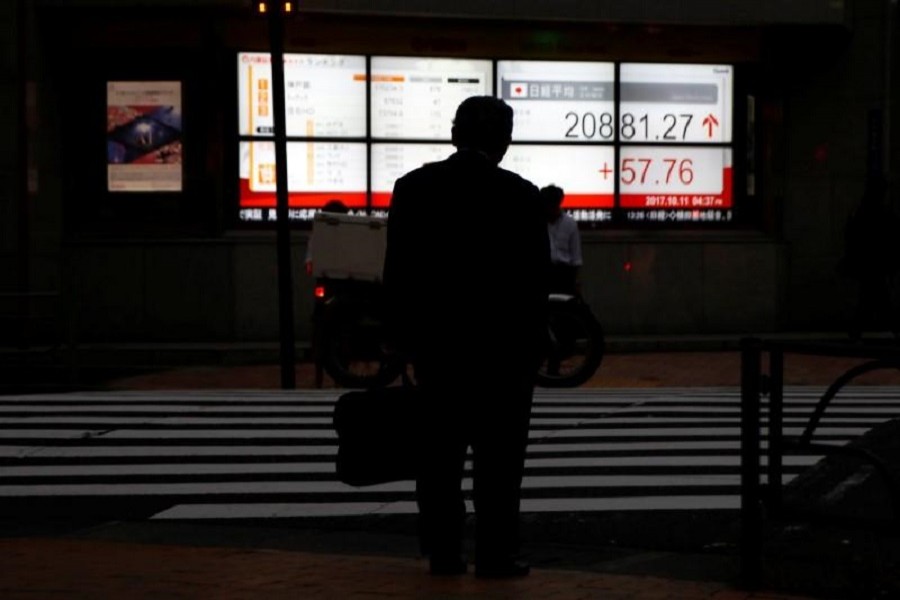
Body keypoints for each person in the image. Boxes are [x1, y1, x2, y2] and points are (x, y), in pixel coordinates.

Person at [382, 96, 549, 578]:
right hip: (503, 353)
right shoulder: (520, 195)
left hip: (438, 350)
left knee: (439, 460)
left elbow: (399, 272)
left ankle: (444, 552)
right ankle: (495, 555)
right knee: (499, 462)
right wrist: (533, 345)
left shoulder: (413, 188)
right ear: (503, 140)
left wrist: (401, 341)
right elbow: (534, 280)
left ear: (454, 133)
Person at [839, 178, 900, 340]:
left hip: (867, 263)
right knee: (878, 300)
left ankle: (856, 331)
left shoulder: (861, 211)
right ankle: (891, 329)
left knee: (869, 299)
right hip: (873, 263)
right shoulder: (879, 213)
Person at [541, 184, 583, 296]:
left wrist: (576, 282)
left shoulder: (570, 224)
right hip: (543, 273)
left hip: (564, 274)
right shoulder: (537, 222)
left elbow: (575, 258)